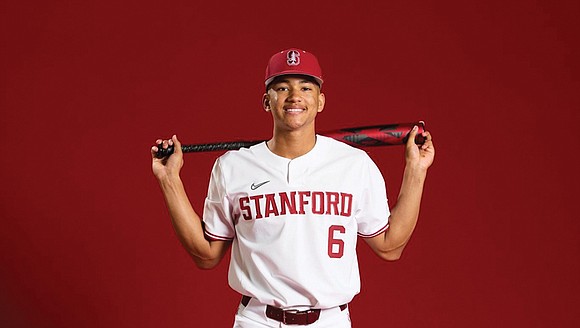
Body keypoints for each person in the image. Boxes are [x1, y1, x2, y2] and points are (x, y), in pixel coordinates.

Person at [151, 48, 435, 327]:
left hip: (330, 321)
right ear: (266, 101)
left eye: (306, 88)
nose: (295, 96)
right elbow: (206, 255)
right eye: (282, 88)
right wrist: (169, 179)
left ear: (320, 101)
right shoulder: (233, 167)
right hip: (257, 320)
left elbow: (390, 247)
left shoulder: (354, 164)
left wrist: (416, 170)